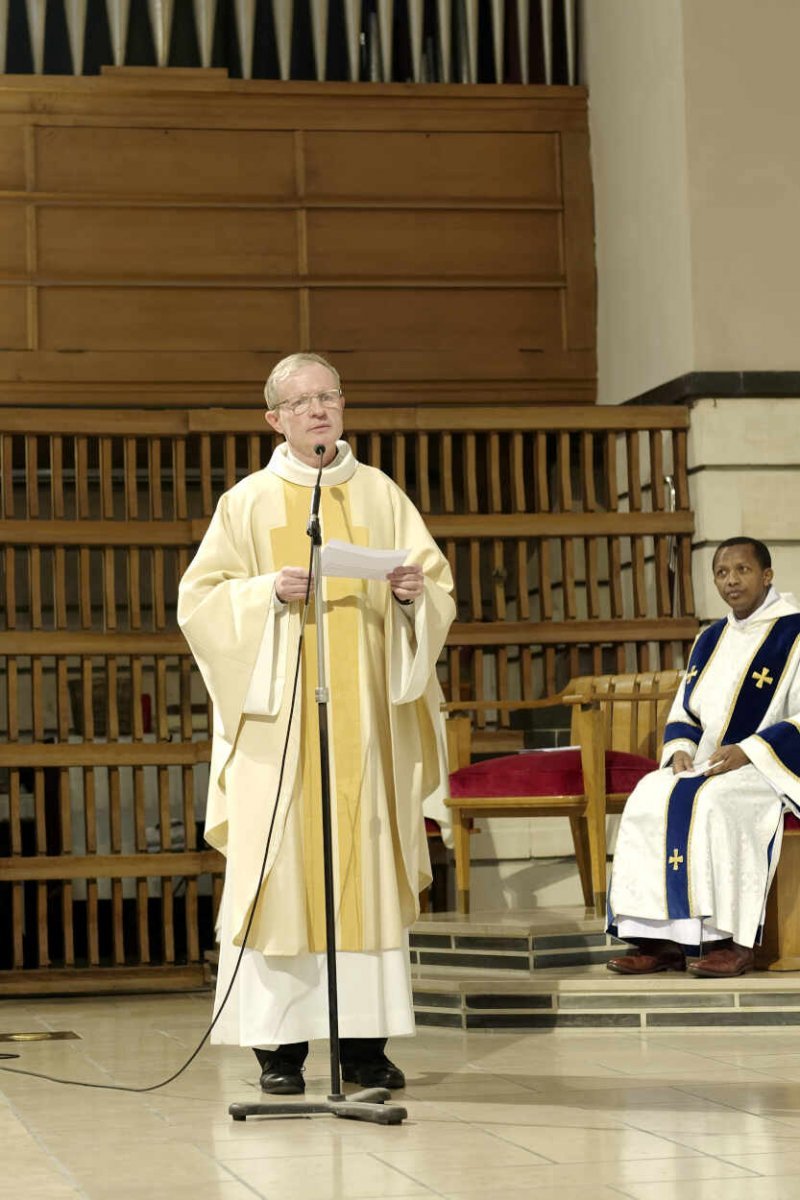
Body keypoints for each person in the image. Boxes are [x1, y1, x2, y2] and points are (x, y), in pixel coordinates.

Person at [178, 352, 455, 1094]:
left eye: (328, 396)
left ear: (343, 407)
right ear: (275, 418)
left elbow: (435, 589)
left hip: (364, 725)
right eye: (300, 402)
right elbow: (200, 603)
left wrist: (407, 596)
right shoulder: (249, 502)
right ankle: (280, 1050)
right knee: (283, 874)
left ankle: (363, 1049)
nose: (318, 411)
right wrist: (266, 593)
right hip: (281, 732)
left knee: (363, 865)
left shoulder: (383, 495)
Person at [607, 537, 800, 978]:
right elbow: (686, 711)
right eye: (721, 572)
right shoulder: (709, 638)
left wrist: (750, 750)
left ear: (767, 575)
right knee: (649, 793)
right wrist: (679, 752)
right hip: (709, 764)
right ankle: (658, 939)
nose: (731, 580)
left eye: (742, 570)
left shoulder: (795, 632)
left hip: (770, 767)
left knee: (714, 803)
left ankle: (732, 940)